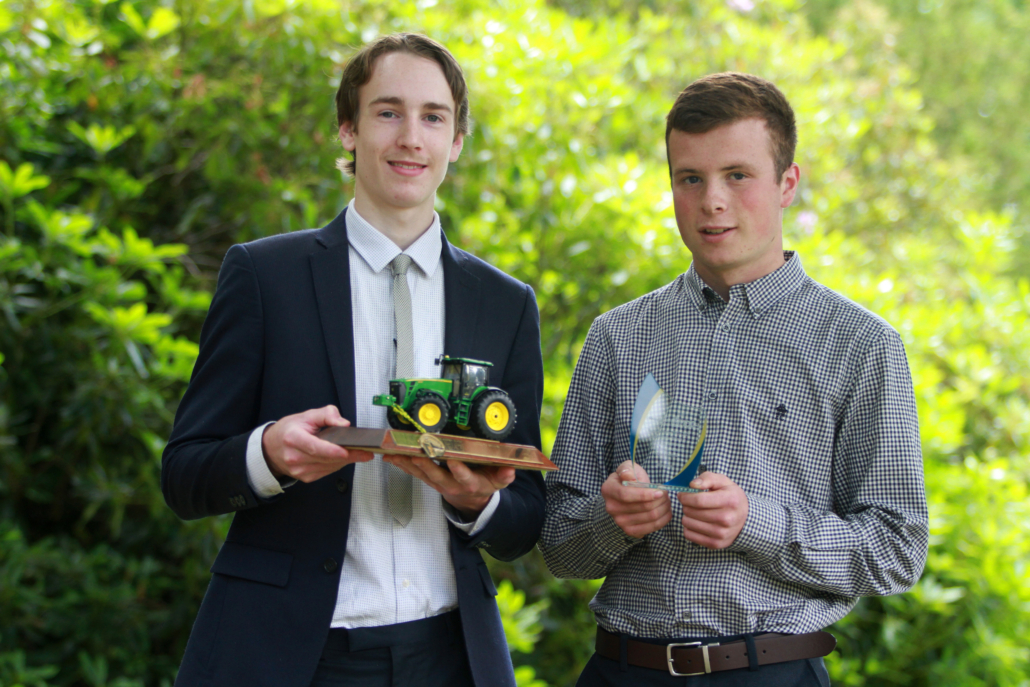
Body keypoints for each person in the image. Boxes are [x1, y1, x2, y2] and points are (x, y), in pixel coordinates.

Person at [162, 33, 544, 687]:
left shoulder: (506, 303)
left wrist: (478, 503)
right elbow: (183, 474)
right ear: (348, 128)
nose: (411, 138)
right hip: (291, 656)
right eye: (388, 112)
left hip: (451, 657)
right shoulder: (263, 276)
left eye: (433, 117)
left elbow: (526, 514)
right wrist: (268, 454)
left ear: (456, 141)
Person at [538, 72, 928, 686]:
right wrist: (611, 521)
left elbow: (897, 549)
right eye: (690, 178)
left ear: (787, 184)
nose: (712, 201)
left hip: (771, 673)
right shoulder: (618, 337)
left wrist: (756, 525)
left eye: (738, 176)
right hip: (620, 671)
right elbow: (559, 543)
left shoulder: (860, 345)